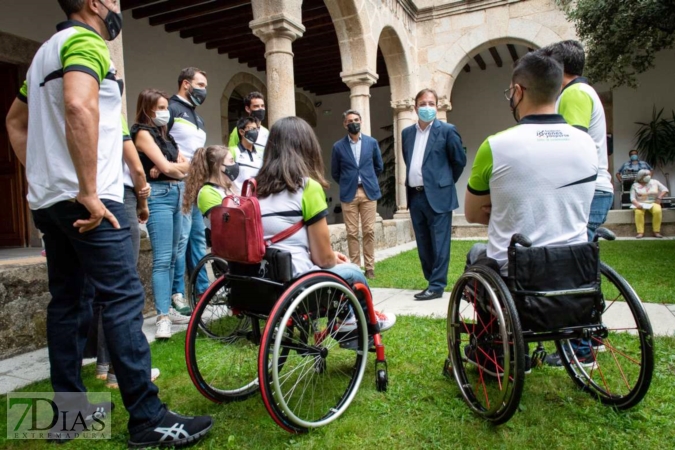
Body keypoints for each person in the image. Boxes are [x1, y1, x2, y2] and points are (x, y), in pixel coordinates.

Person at [4, 0, 212, 446]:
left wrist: (44, 180)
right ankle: (147, 419)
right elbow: (79, 106)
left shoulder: (45, 51)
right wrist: (86, 188)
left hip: (50, 201)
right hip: (92, 198)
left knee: (66, 301)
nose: (118, 6)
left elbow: (15, 122)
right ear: (96, 3)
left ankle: (68, 418)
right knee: (121, 298)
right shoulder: (85, 42)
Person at [464, 51, 598, 370]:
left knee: (476, 254)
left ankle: (493, 351)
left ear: (519, 91)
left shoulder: (496, 145)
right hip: (575, 272)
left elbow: (472, 213)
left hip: (517, 278)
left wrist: (506, 207)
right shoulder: (587, 144)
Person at [254, 116, 396, 331]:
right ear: (307, 149)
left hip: (261, 280)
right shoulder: (307, 188)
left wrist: (329, 256)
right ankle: (360, 322)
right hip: (294, 281)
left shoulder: (254, 188)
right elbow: (323, 259)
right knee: (355, 272)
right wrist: (333, 259)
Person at [94, 116, 161, 388]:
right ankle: (121, 373)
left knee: (98, 290)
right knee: (124, 289)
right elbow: (137, 170)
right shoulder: (108, 107)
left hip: (78, 197)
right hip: (118, 195)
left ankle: (102, 364)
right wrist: (143, 203)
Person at [132, 89, 192, 339]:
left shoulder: (166, 137)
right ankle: (162, 318)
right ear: (147, 108)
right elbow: (171, 166)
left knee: (175, 255)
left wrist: (171, 168)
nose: (165, 112)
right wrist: (168, 168)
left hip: (177, 193)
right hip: (158, 197)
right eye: (159, 107)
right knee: (162, 257)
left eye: (166, 106)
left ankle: (168, 307)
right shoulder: (142, 133)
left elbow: (189, 167)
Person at [544, 40, 614, 241]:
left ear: (557, 67)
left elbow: (571, 147)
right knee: (580, 261)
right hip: (592, 190)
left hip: (585, 191)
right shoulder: (581, 91)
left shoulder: (574, 93)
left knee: (573, 262)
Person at [402, 88, 466, 301]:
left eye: (431, 103)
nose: (427, 107)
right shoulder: (407, 134)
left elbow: (459, 161)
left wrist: (444, 182)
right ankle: (431, 280)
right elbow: (408, 160)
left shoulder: (447, 130)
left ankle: (437, 286)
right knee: (423, 243)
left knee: (440, 243)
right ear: (415, 107)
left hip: (439, 195)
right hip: (415, 195)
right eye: (423, 104)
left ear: (437, 107)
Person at [167, 67, 210, 315]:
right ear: (186, 84)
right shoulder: (171, 109)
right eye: (201, 84)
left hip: (196, 184)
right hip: (177, 183)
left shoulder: (198, 117)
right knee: (181, 240)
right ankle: (178, 295)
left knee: (198, 238)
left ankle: (204, 291)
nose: (204, 90)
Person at [331, 109, 383, 279]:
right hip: (349, 193)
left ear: (361, 122)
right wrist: (348, 182)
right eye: (350, 120)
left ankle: (370, 268)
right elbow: (335, 172)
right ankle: (355, 267)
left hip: (368, 192)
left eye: (356, 119)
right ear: (345, 124)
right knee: (352, 232)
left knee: (368, 230)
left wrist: (367, 179)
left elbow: (378, 166)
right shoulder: (338, 146)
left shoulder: (371, 142)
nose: (353, 122)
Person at [183, 145, 239, 230]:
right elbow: (224, 224)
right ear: (218, 166)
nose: (234, 165)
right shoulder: (207, 192)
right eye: (231, 161)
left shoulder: (228, 187)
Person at [631, 169, 669, 238]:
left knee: (657, 210)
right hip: (640, 203)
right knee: (638, 213)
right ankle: (640, 232)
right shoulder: (635, 185)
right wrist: (637, 204)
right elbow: (632, 198)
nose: (648, 176)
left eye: (649, 175)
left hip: (653, 202)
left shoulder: (655, 182)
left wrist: (659, 197)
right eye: (645, 175)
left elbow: (665, 189)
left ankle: (656, 231)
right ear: (640, 176)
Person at [229, 116, 262, 191]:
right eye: (252, 129)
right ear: (241, 132)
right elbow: (226, 178)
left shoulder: (259, 155)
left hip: (255, 200)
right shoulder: (232, 152)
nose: (255, 132)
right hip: (239, 199)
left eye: (257, 129)